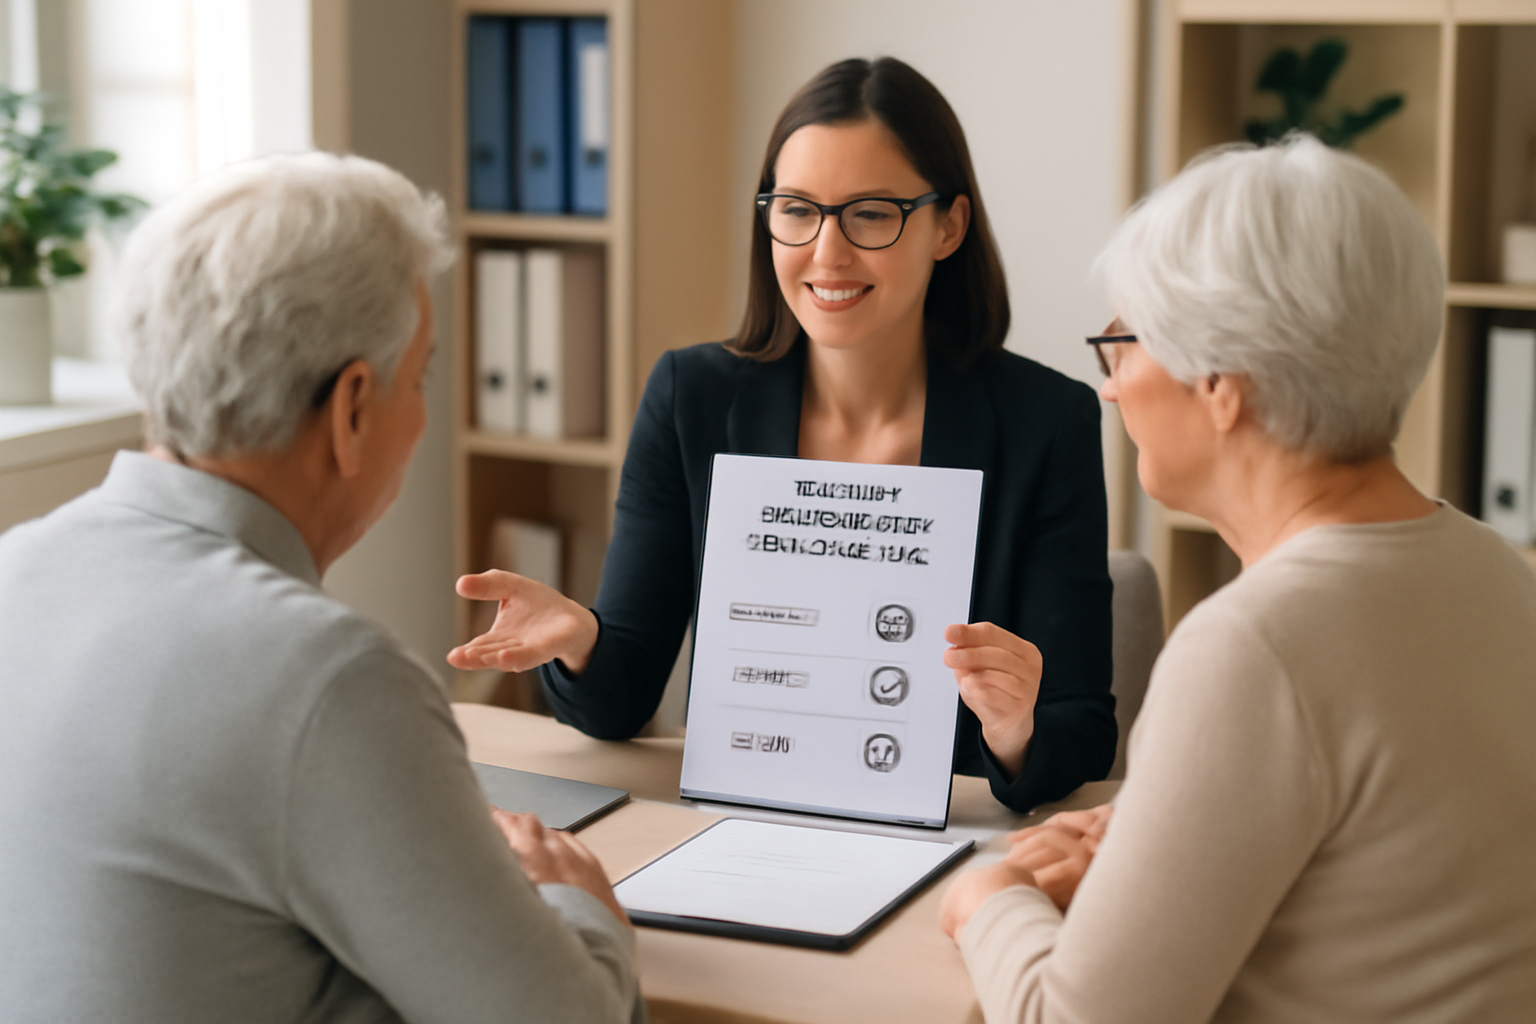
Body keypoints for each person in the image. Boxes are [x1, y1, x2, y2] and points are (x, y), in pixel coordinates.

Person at [0, 154, 643, 1023]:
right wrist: (577, 903)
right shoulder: (330, 677)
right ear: (350, 409)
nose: (420, 412)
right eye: (417, 379)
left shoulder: (16, 567)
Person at [940, 136, 1536, 1022]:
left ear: (1218, 380)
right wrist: (1152, 838)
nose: (1109, 389)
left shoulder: (1254, 647)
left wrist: (986, 897)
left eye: (1123, 343)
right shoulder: (1495, 570)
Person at [449, 57, 1115, 813]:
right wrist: (581, 639)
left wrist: (1015, 726)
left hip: (950, 843)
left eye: (870, 213)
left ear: (947, 226)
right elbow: (620, 699)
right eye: (797, 210)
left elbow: (1085, 730)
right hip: (738, 823)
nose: (827, 253)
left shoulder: (1046, 423)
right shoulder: (689, 399)